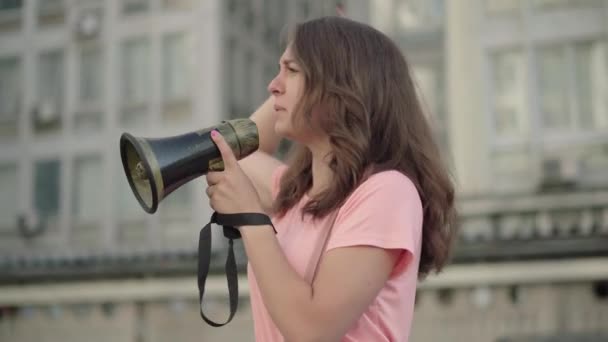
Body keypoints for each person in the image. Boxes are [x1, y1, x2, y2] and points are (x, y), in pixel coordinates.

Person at [204, 16, 457, 342]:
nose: (273, 85)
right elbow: (233, 152)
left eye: (291, 71)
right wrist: (301, 73)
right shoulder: (294, 197)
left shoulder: (388, 193)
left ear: (342, 87)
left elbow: (312, 329)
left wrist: (251, 217)